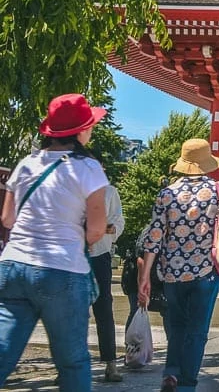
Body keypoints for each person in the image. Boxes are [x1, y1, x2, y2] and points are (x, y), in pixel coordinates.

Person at [0, 94, 109, 391]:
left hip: (13, 264)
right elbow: (97, 230)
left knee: (3, 350)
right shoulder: (88, 169)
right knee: (72, 361)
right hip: (61, 269)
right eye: (90, 125)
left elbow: (7, 219)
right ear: (81, 130)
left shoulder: (26, 164)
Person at [141, 138, 219, 391]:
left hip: (171, 271)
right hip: (205, 271)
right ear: (206, 163)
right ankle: (187, 383)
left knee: (176, 324)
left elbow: (154, 235)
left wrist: (145, 275)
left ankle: (170, 371)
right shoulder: (218, 190)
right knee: (197, 330)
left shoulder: (166, 193)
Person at [89, 181, 125, 382]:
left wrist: (110, 230)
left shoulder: (110, 191)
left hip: (100, 252)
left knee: (104, 308)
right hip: (74, 254)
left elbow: (118, 221)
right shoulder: (73, 188)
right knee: (72, 311)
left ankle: (111, 363)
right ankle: (67, 365)